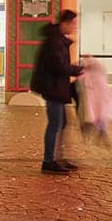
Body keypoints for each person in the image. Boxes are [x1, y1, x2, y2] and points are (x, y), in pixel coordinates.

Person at [30, 9, 84, 174]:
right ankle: (49, 161)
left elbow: (60, 65)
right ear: (65, 23)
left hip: (57, 87)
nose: (75, 27)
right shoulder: (54, 42)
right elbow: (58, 66)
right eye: (73, 23)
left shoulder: (59, 40)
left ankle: (58, 158)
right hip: (52, 88)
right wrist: (78, 69)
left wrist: (76, 69)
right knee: (55, 124)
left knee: (63, 123)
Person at [76, 55, 112, 146]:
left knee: (96, 116)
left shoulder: (90, 74)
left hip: (96, 99)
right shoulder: (91, 74)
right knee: (95, 116)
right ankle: (97, 134)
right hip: (95, 100)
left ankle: (99, 134)